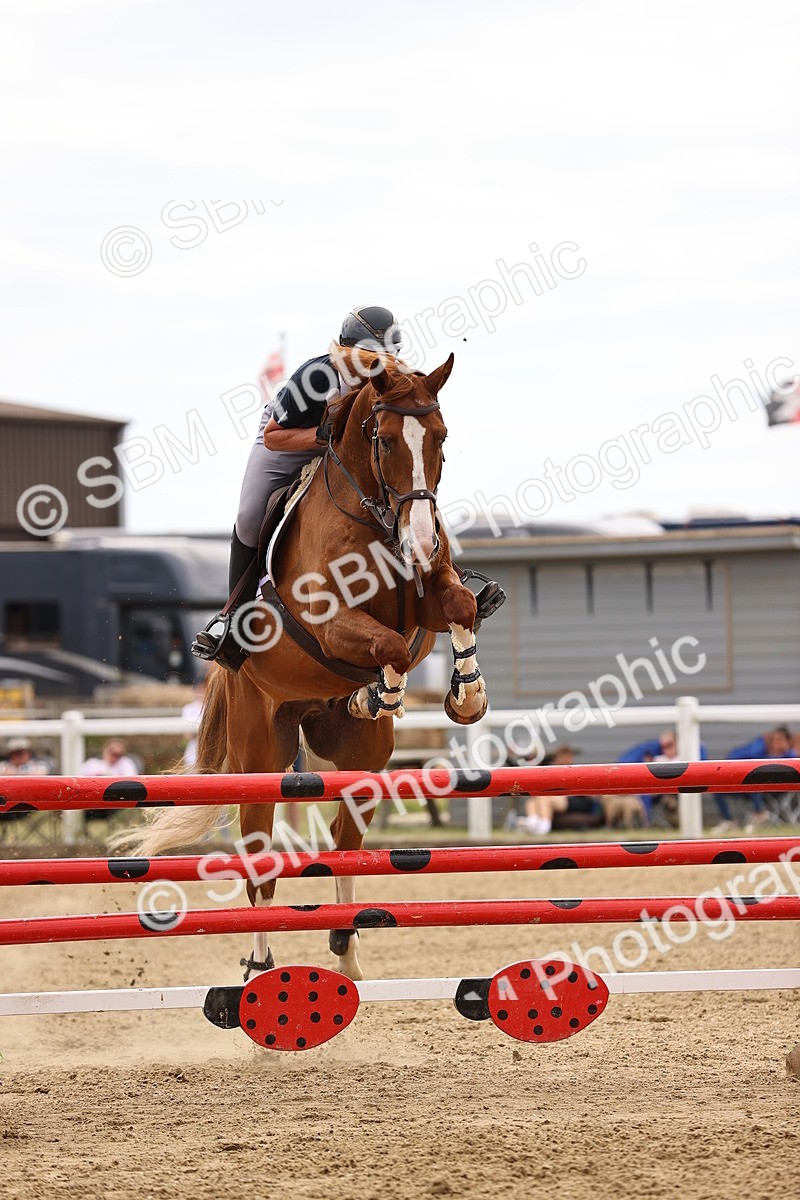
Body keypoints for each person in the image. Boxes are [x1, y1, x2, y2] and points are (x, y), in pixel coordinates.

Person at [192, 306, 403, 672]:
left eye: (388, 358)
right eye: (372, 359)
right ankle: (235, 620)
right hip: (290, 443)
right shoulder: (318, 377)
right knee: (249, 517)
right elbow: (275, 436)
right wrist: (324, 437)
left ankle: (445, 575)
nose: (381, 369)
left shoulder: (393, 379)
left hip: (347, 453)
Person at [713, 726, 797, 834]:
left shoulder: (791, 756)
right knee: (718, 788)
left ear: (787, 742)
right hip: (754, 790)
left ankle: (759, 813)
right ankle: (728, 820)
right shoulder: (765, 755)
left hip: (776, 789)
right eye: (775, 740)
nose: (777, 743)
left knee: (756, 782)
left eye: (780, 740)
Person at [617, 730, 708, 828]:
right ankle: (645, 822)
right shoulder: (657, 758)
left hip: (682, 792)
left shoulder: (692, 754)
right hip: (662, 792)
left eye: (669, 745)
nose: (666, 750)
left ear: (678, 743)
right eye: (663, 747)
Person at [519, 746, 605, 837]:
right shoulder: (553, 771)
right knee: (531, 802)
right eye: (561, 757)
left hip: (577, 800)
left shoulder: (577, 772)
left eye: (567, 757)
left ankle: (544, 827)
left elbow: (588, 793)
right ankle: (533, 823)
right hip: (559, 799)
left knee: (545, 799)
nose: (564, 760)